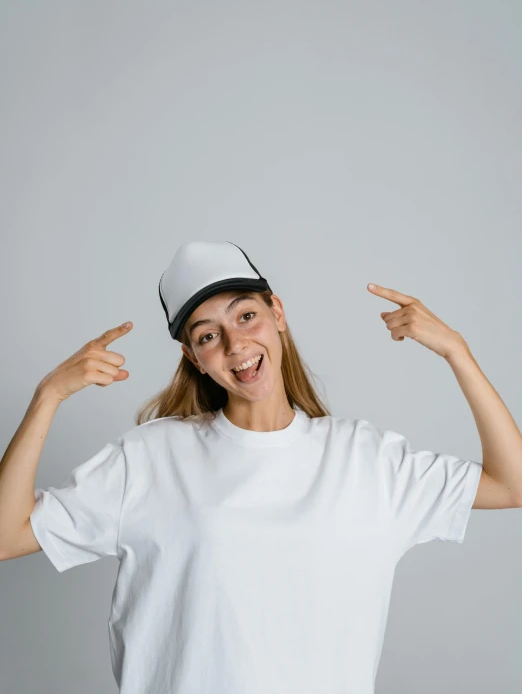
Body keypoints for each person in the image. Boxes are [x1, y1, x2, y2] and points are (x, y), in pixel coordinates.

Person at [0, 240, 488, 693]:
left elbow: (513, 484)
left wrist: (457, 351)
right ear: (193, 357)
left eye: (247, 316)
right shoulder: (152, 458)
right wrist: (48, 396)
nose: (235, 345)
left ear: (277, 313)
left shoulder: (365, 459)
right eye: (209, 335)